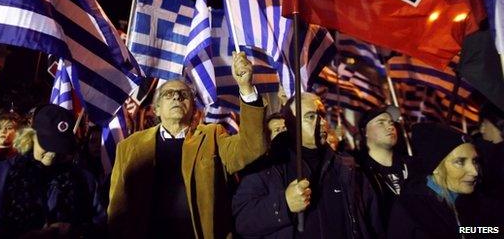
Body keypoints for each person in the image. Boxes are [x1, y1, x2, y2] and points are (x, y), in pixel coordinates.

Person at [108, 52, 267, 238]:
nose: (177, 97)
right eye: (168, 94)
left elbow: (252, 147)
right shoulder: (128, 147)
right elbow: (117, 210)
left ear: (193, 108)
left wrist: (246, 88)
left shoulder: (212, 136)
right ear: (156, 109)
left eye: (184, 94)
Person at [232, 92, 382, 239]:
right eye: (310, 116)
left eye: (322, 115)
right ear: (290, 123)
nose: (322, 122)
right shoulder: (268, 167)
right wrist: (284, 205)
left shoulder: (347, 167)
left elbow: (373, 222)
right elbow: (242, 220)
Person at [0, 103, 102, 238]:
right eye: (47, 145)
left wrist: (79, 233)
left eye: (60, 147)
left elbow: (102, 228)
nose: (53, 154)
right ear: (31, 136)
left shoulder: (84, 181)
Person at [387, 122, 502, 238]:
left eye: (475, 161)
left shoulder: (473, 202)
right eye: (460, 162)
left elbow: (472, 230)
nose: (475, 172)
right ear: (435, 167)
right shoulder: (411, 210)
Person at [357, 105, 408, 229]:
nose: (390, 126)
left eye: (391, 122)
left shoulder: (412, 166)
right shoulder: (358, 172)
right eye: (381, 123)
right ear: (365, 132)